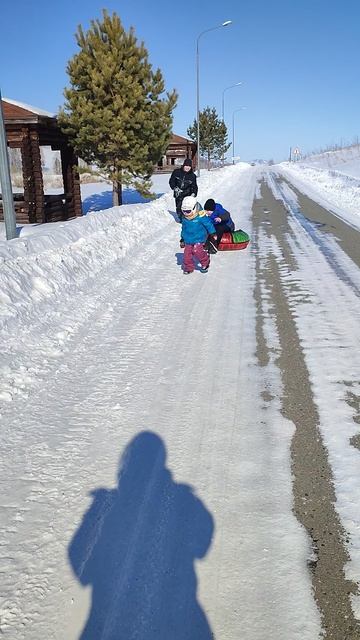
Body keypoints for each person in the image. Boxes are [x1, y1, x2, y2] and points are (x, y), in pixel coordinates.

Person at [180, 196, 216, 274]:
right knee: (187, 255)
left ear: (194, 208)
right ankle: (189, 267)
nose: (186, 213)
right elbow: (184, 228)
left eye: (188, 211)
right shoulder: (184, 218)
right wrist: (182, 238)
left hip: (199, 237)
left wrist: (212, 232)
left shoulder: (200, 216)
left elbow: (208, 224)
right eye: (184, 211)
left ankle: (205, 262)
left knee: (197, 251)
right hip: (188, 239)